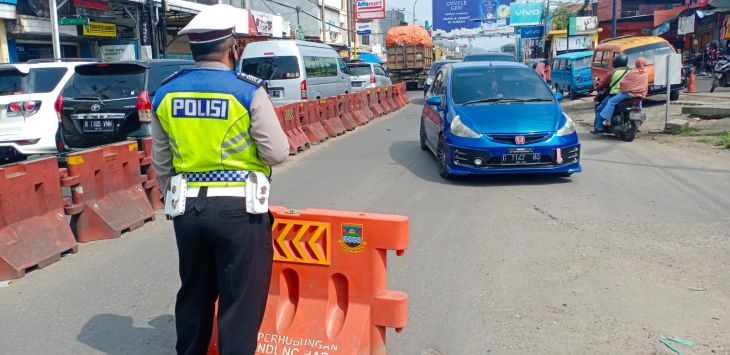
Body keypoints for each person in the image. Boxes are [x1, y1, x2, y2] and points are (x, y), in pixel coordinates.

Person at [150, 4, 289, 355]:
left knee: (194, 295)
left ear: (193, 48)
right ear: (232, 48)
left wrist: (179, 195)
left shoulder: (166, 93)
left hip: (188, 211)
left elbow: (161, 162)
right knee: (240, 303)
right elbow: (276, 153)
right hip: (240, 212)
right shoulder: (248, 91)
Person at [598, 57, 649, 127]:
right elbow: (645, 86)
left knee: (611, 102)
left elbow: (624, 83)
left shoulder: (632, 72)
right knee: (639, 106)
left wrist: (623, 89)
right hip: (640, 95)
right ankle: (638, 124)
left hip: (629, 94)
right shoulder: (645, 74)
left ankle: (608, 120)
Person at [592, 54, 629, 133]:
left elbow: (603, 83)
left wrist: (597, 88)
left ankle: (599, 128)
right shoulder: (631, 71)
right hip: (629, 94)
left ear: (616, 62)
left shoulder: (613, 72)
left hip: (614, 94)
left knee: (599, 109)